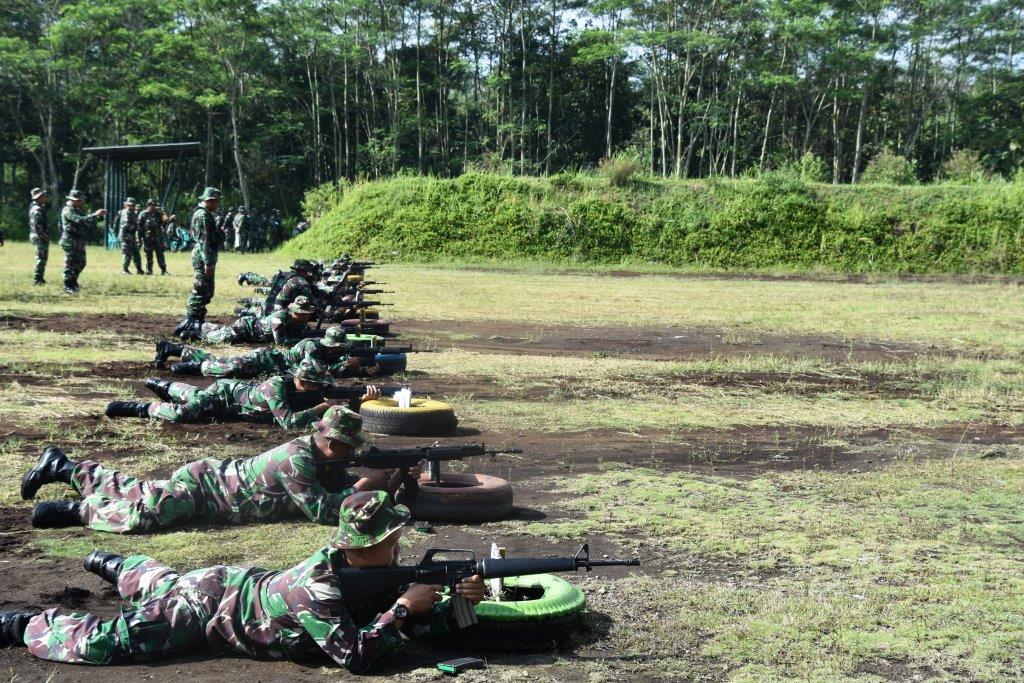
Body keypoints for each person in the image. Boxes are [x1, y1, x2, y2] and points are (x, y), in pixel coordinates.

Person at [0, 490, 484, 671]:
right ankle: (22, 623)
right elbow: (356, 656)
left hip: (231, 582)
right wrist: (403, 608)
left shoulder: (371, 571)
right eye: (389, 538)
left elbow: (407, 630)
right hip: (209, 608)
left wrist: (455, 605)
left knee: (162, 580)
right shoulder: (315, 587)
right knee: (114, 642)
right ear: (356, 548)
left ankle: (113, 563)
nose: (398, 545)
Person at [22, 405, 419, 532]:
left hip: (212, 485)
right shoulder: (295, 458)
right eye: (349, 449)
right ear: (332, 443)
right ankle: (76, 510)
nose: (352, 456)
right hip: (208, 491)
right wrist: (366, 487)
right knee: (150, 512)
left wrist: (394, 481)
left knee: (138, 489)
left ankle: (63, 466)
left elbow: (337, 483)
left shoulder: (322, 457)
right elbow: (323, 511)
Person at [104, 358, 379, 429]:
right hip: (225, 396)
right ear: (304, 381)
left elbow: (330, 404)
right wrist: (320, 409)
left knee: (193, 395)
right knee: (184, 413)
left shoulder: (305, 391)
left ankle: (163, 385)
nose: (321, 390)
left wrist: (358, 401)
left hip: (230, 401)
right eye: (317, 385)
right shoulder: (277, 387)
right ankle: (139, 408)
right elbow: (288, 422)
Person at [154, 325, 371, 379]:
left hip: (273, 364)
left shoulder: (326, 347)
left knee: (218, 358)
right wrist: (346, 365)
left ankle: (172, 348)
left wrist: (364, 368)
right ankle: (189, 367)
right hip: (266, 360)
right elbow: (316, 372)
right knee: (229, 367)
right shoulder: (312, 347)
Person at [175, 187, 222, 338]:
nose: (218, 204)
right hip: (203, 256)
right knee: (201, 288)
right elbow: (204, 241)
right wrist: (208, 262)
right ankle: (191, 320)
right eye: (216, 201)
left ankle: (197, 319)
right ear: (210, 200)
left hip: (204, 255)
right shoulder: (203, 216)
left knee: (206, 290)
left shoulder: (204, 214)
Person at [190, 295, 315, 345]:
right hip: (246, 328)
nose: (307, 316)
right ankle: (196, 333)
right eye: (303, 313)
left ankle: (201, 326)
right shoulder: (279, 319)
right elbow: (281, 342)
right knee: (225, 338)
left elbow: (301, 333)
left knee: (223, 331)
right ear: (294, 312)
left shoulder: (300, 321)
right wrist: (303, 340)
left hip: (253, 335)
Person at [59, 190, 106, 294]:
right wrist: (94, 214)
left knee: (81, 263)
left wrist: (99, 217)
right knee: (70, 263)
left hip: (79, 240)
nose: (83, 201)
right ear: (75, 200)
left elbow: (86, 221)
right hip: (70, 239)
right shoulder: (68, 210)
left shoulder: (78, 210)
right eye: (81, 200)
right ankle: (67, 286)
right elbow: (79, 220)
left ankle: (73, 282)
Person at [113, 197, 144, 275]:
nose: (131, 206)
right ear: (126, 205)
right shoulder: (124, 213)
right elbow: (125, 225)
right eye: (129, 205)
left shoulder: (134, 213)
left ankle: (139, 269)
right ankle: (125, 270)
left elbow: (135, 224)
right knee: (127, 254)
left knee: (136, 254)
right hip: (126, 236)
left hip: (132, 236)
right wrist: (120, 236)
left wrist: (138, 229)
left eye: (133, 205)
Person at [138, 198, 168, 275]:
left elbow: (164, 222)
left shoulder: (158, 214)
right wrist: (139, 238)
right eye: (151, 205)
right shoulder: (143, 214)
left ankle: (164, 270)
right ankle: (149, 271)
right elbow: (139, 227)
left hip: (157, 238)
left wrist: (164, 214)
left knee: (160, 255)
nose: (152, 207)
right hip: (147, 239)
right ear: (148, 205)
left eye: (154, 205)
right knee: (149, 256)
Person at [28, 187, 50, 286]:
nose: (46, 198)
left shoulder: (35, 207)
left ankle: (40, 278)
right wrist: (44, 236)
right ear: (39, 197)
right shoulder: (37, 209)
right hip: (39, 237)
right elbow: (37, 226)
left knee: (42, 258)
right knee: (41, 258)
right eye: (44, 196)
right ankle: (37, 279)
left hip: (38, 235)